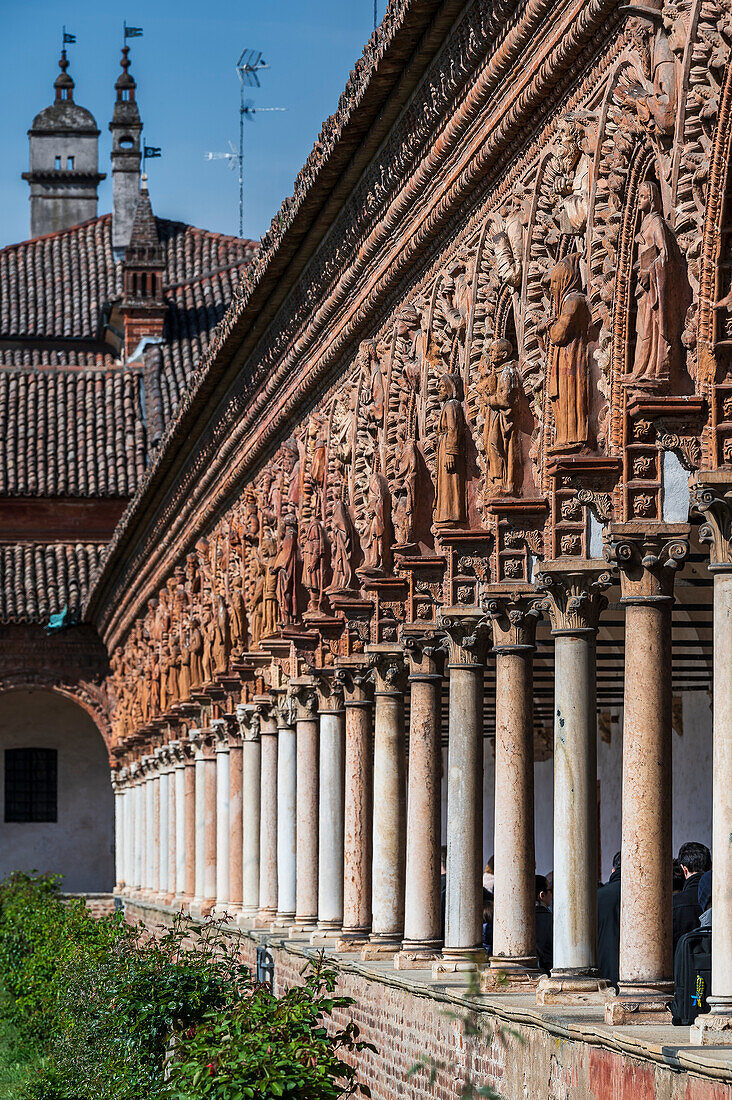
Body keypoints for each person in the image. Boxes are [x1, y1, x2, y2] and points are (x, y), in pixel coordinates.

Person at [673, 842, 712, 951]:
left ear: (683, 869)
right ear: (710, 867)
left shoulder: (672, 904)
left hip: (680, 966)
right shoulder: (720, 900)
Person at [597, 851, 621, 989]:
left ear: (613, 870)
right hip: (637, 975)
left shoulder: (597, 897)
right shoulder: (643, 896)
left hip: (603, 972)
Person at [535, 875, 553, 975]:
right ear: (542, 895)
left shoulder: (519, 919)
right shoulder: (548, 919)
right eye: (550, 890)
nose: (552, 895)